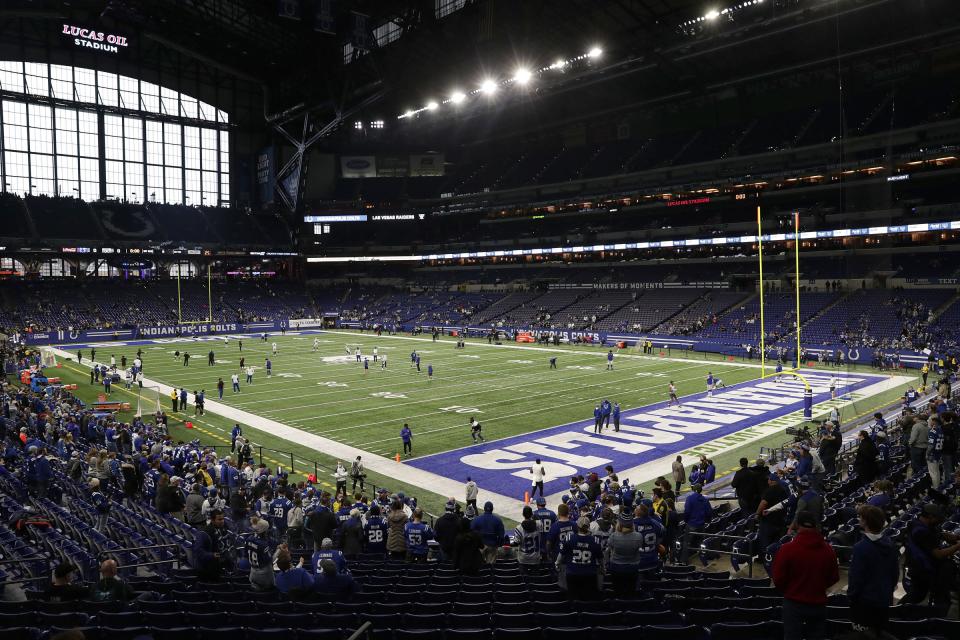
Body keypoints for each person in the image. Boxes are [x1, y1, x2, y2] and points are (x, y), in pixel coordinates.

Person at [772, 511, 839, 640]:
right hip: (818, 604)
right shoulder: (828, 550)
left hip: (793, 604)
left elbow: (778, 579)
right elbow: (834, 577)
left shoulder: (787, 549)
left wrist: (792, 589)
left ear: (797, 524)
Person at [848, 505, 899, 636]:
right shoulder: (891, 544)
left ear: (865, 521)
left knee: (863, 635)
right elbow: (895, 574)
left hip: (865, 603)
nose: (859, 519)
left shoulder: (861, 548)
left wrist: (852, 597)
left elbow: (856, 578)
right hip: (884, 599)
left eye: (860, 517)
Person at [900, 503, 960, 613]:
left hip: (925, 567)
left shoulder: (919, 523)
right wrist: (957, 546)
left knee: (920, 595)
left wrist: (953, 537)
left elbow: (937, 533)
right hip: (922, 570)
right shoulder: (921, 532)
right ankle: (897, 612)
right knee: (917, 596)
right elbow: (939, 554)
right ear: (931, 517)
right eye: (938, 518)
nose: (939, 521)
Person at [561, 517, 603, 600]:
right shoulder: (595, 540)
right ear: (588, 526)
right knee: (588, 599)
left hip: (572, 573)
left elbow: (561, 555)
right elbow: (601, 559)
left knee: (573, 598)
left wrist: (557, 564)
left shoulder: (569, 538)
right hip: (589, 574)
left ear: (577, 526)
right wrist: (603, 568)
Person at [757, 473, 790, 558]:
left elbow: (763, 503)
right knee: (776, 540)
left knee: (765, 540)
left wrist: (757, 514)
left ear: (771, 481)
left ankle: (765, 558)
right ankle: (774, 557)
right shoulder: (783, 489)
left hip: (769, 520)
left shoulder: (769, 491)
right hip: (780, 519)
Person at [193, 509, 230, 581]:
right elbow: (198, 551)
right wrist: (212, 555)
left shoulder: (224, 528)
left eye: (223, 519)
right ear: (212, 520)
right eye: (219, 519)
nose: (222, 521)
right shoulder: (203, 533)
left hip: (218, 566)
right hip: (206, 570)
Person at [241, 517, 275, 591]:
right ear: (264, 531)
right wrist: (279, 551)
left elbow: (246, 555)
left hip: (252, 572)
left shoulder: (249, 538)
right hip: (264, 575)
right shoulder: (263, 544)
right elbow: (270, 560)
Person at [680, 483, 712, 560]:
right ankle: (703, 558)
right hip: (701, 525)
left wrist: (686, 521)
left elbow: (687, 512)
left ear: (694, 490)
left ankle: (684, 561)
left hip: (691, 524)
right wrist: (707, 521)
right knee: (700, 542)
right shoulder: (705, 500)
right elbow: (709, 512)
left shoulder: (689, 499)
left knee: (686, 543)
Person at [512, 506, 542, 570]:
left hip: (524, 558)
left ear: (523, 515)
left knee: (524, 578)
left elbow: (516, 543)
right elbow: (537, 519)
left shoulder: (519, 528)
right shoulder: (539, 524)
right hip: (535, 557)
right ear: (531, 514)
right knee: (535, 578)